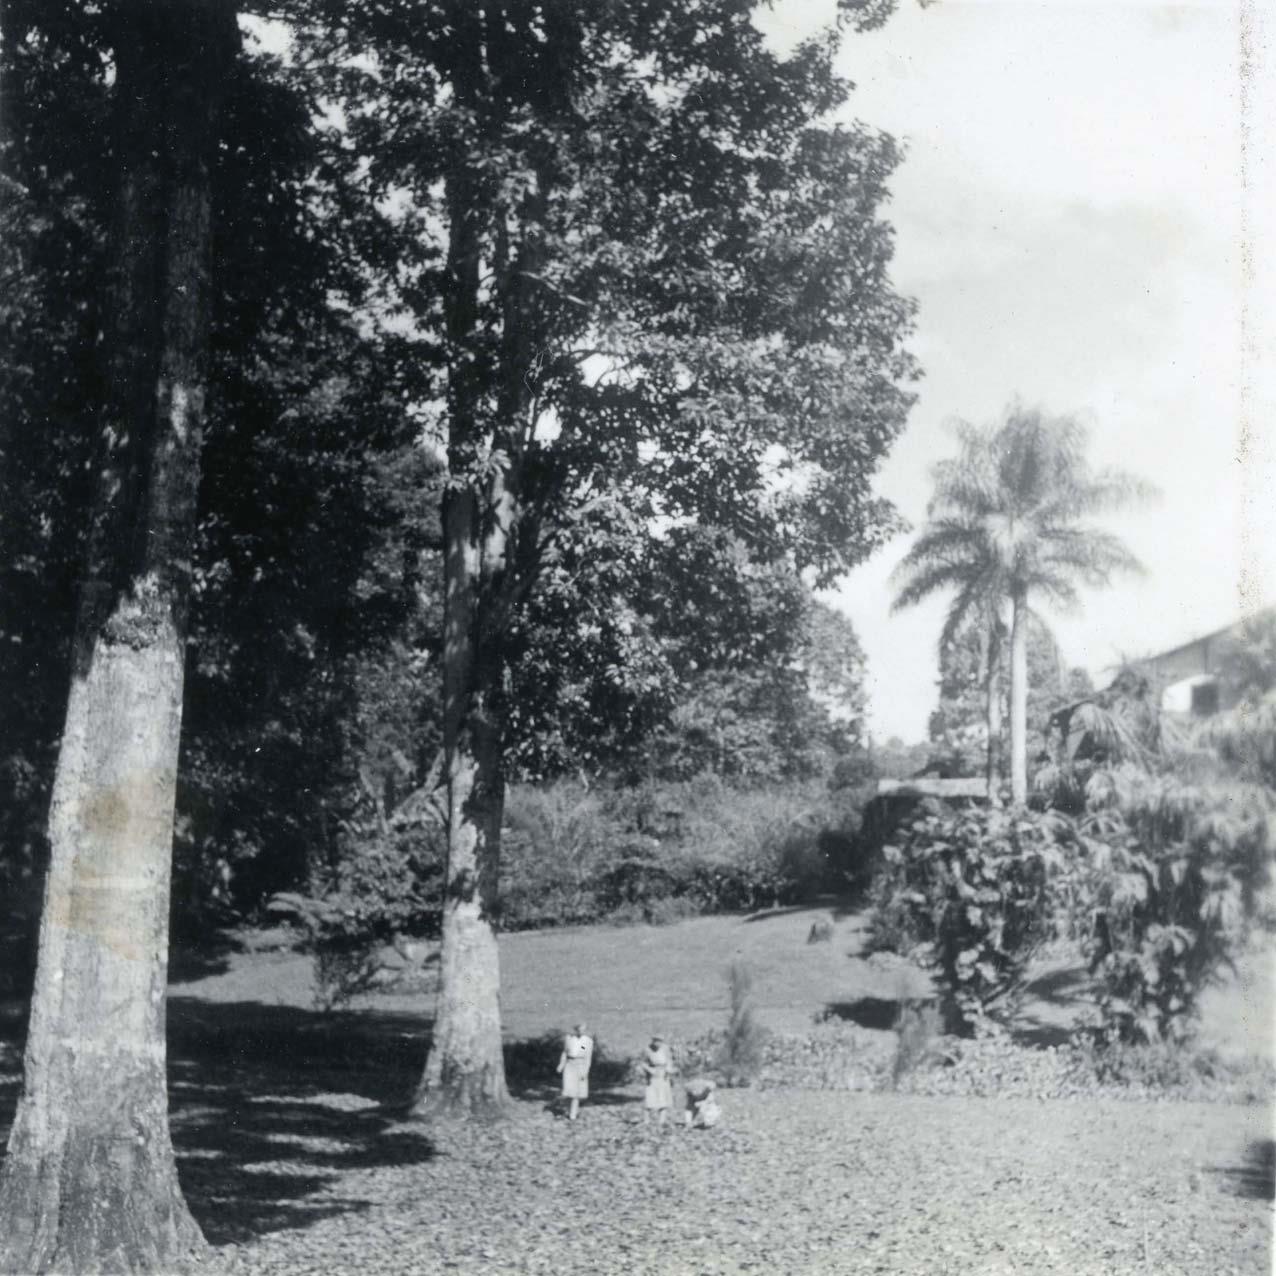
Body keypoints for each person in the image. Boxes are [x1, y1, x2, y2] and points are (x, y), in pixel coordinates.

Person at [556, 1022, 593, 1121]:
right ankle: (568, 1110)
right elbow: (565, 1052)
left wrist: (585, 1070)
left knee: (576, 1093)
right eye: (579, 1029)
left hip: (580, 1066)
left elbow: (587, 1056)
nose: (581, 1031)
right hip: (569, 1065)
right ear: (576, 1029)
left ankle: (573, 1115)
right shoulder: (569, 1039)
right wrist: (561, 1064)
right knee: (568, 1091)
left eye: (583, 1029)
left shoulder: (587, 1041)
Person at [641, 1034, 675, 1125]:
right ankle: (646, 1121)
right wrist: (649, 1070)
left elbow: (670, 1061)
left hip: (663, 1076)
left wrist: (669, 1069)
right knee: (650, 1098)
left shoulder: (666, 1049)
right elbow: (643, 1063)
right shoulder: (647, 1050)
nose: (658, 1043)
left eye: (660, 1041)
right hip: (652, 1077)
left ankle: (662, 1121)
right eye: (656, 1041)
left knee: (663, 1098)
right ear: (653, 1041)